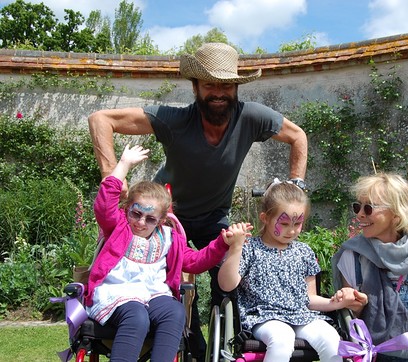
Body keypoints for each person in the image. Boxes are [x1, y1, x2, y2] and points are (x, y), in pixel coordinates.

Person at [87, 42, 308, 361]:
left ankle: (229, 348)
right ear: (196, 87)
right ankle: (189, 343)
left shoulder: (252, 117)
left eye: (225, 84)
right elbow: (100, 119)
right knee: (170, 283)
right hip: (167, 219)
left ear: (235, 87)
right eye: (209, 84)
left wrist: (296, 185)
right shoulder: (175, 120)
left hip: (214, 216)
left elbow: (297, 136)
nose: (218, 92)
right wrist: (113, 173)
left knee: (228, 279)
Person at [85, 144, 252, 362]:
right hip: (117, 293)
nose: (141, 222)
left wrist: (222, 243)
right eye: (136, 214)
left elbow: (195, 261)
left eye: (150, 219)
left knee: (175, 312)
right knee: (137, 316)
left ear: (161, 220)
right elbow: (104, 205)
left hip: (153, 294)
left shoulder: (169, 238)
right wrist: (123, 165)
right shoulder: (118, 227)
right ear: (127, 209)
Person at [218, 180, 367, 362]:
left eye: (297, 224)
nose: (291, 231)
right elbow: (226, 285)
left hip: (302, 315)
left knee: (331, 340)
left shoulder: (304, 252)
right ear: (265, 218)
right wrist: (235, 249)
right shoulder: (250, 248)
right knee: (282, 338)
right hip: (264, 316)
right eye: (285, 223)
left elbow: (309, 299)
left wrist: (335, 303)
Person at [331, 173, 408, 362]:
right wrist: (356, 306)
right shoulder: (352, 257)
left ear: (397, 214)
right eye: (357, 206)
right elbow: (352, 331)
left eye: (369, 207)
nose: (360, 214)